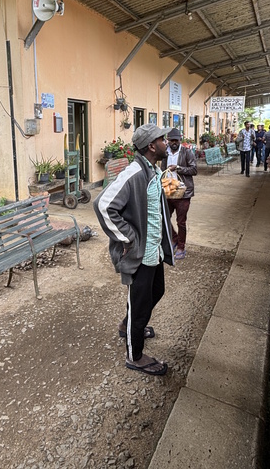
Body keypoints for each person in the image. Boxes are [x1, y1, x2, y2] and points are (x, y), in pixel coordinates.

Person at [93, 124, 175, 376]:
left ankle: (128, 325)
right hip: (140, 254)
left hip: (154, 251)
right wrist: (128, 239)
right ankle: (135, 355)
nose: (166, 142)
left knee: (156, 291)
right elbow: (103, 205)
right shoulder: (134, 173)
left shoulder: (153, 170)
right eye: (162, 139)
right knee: (139, 306)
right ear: (151, 146)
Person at [161, 128, 197, 260]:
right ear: (168, 141)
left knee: (181, 222)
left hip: (183, 192)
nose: (174, 143)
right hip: (169, 190)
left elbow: (194, 170)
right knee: (163, 217)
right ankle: (174, 238)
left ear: (180, 140)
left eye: (176, 140)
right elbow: (162, 170)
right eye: (171, 140)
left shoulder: (187, 152)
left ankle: (181, 247)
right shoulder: (165, 153)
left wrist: (178, 168)